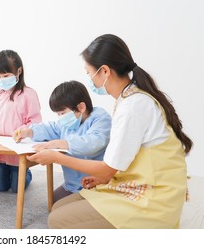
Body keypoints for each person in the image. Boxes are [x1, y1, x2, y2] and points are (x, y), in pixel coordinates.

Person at [27, 34, 193, 228]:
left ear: (104, 71)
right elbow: (119, 162)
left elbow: (107, 165)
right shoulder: (128, 99)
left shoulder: (132, 106)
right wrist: (103, 178)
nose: (90, 79)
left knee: (57, 220)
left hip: (154, 197)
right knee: (58, 207)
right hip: (137, 181)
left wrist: (56, 157)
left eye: (89, 73)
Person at [14, 80, 111, 202]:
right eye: (58, 114)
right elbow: (51, 128)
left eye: (63, 113)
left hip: (96, 184)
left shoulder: (100, 118)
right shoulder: (66, 124)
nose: (60, 117)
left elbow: (94, 142)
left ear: (81, 107)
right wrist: (29, 131)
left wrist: (65, 143)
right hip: (72, 185)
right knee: (52, 202)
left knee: (66, 214)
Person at [0, 50, 42, 193]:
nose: (2, 79)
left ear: (19, 71)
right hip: (1, 149)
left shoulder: (29, 94)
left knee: (17, 188)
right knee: (0, 187)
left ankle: (26, 173)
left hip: (18, 148)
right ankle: (16, 174)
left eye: (6, 75)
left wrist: (23, 131)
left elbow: (35, 121)